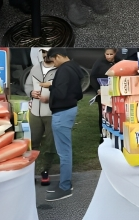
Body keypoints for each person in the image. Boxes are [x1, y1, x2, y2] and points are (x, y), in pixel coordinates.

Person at [46, 48, 84, 201]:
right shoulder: (75, 68)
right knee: (64, 150)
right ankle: (64, 182)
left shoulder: (63, 70)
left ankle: (65, 187)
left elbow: (60, 93)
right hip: (70, 109)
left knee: (64, 152)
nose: (53, 63)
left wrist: (52, 86)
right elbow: (79, 93)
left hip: (62, 112)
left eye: (53, 60)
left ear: (59, 56)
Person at [27, 48, 58, 187]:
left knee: (50, 144)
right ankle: (30, 172)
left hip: (51, 113)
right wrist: (30, 92)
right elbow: (27, 85)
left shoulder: (59, 70)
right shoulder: (35, 68)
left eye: (48, 53)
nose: (46, 55)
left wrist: (50, 98)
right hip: (35, 111)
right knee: (33, 142)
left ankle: (45, 171)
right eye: (43, 53)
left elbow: (64, 89)